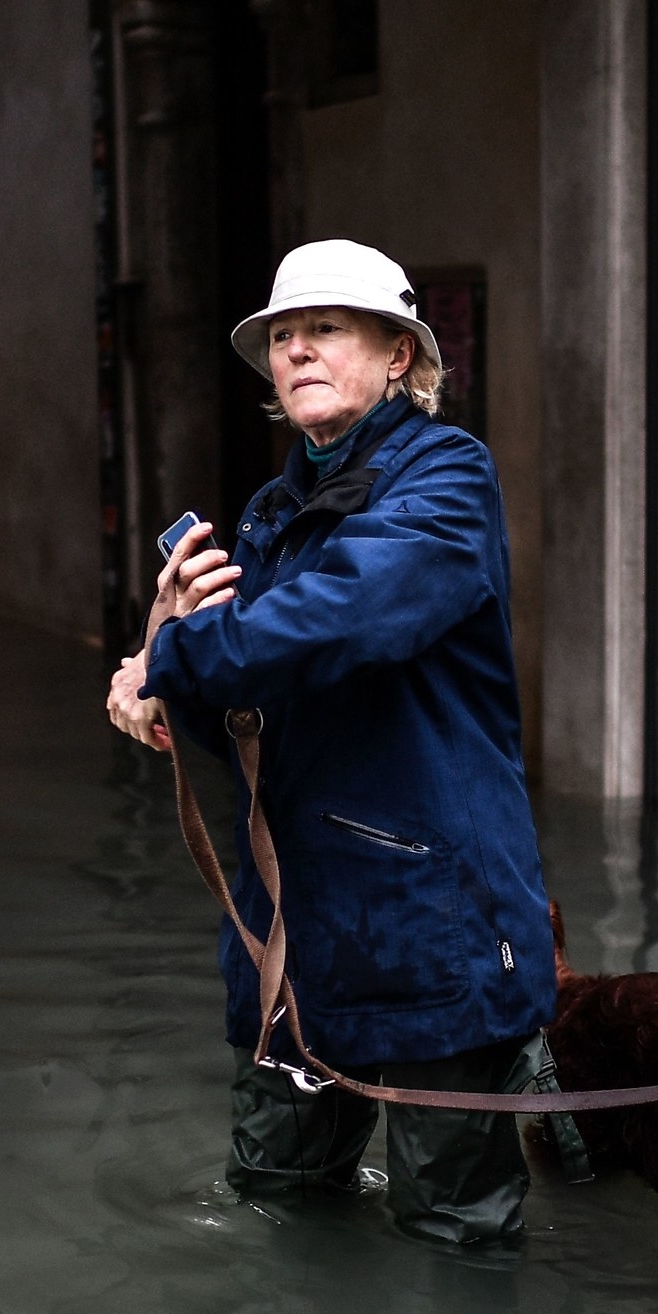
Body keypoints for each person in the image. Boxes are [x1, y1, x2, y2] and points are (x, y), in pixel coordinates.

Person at [106, 240, 557, 1247]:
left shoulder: (448, 478)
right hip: (296, 939)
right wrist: (166, 691)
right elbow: (260, 721)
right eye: (282, 336)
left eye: (326, 329)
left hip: (434, 924)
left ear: (400, 354)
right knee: (276, 1204)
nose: (296, 350)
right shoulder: (267, 518)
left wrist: (174, 660)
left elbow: (347, 616)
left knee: (458, 1239)